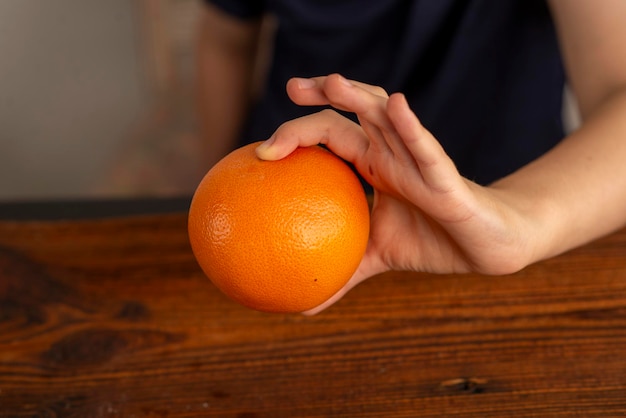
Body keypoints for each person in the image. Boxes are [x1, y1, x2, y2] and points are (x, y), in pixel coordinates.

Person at [196, 1, 626, 314]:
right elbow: (226, 43)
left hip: (505, 214)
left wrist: (520, 221)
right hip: (268, 209)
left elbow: (618, 89)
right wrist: (210, 188)